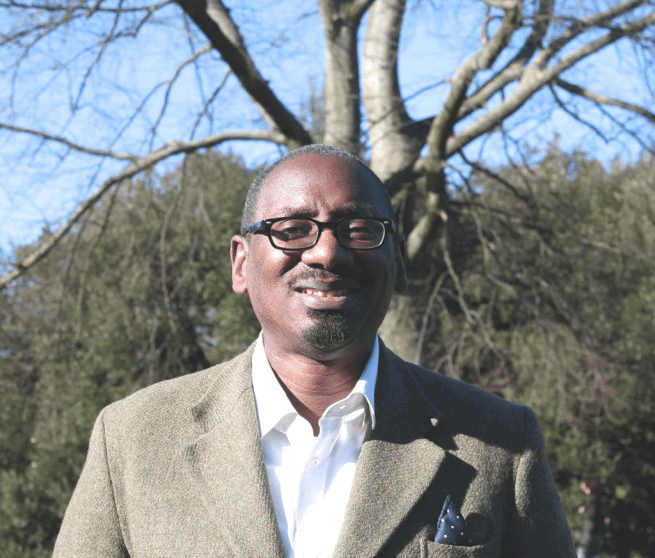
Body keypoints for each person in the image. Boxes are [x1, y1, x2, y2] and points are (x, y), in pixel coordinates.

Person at [53, 144, 576, 557]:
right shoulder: (132, 439)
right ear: (241, 263)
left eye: (360, 229)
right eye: (292, 229)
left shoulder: (501, 442)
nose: (327, 251)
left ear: (396, 260)